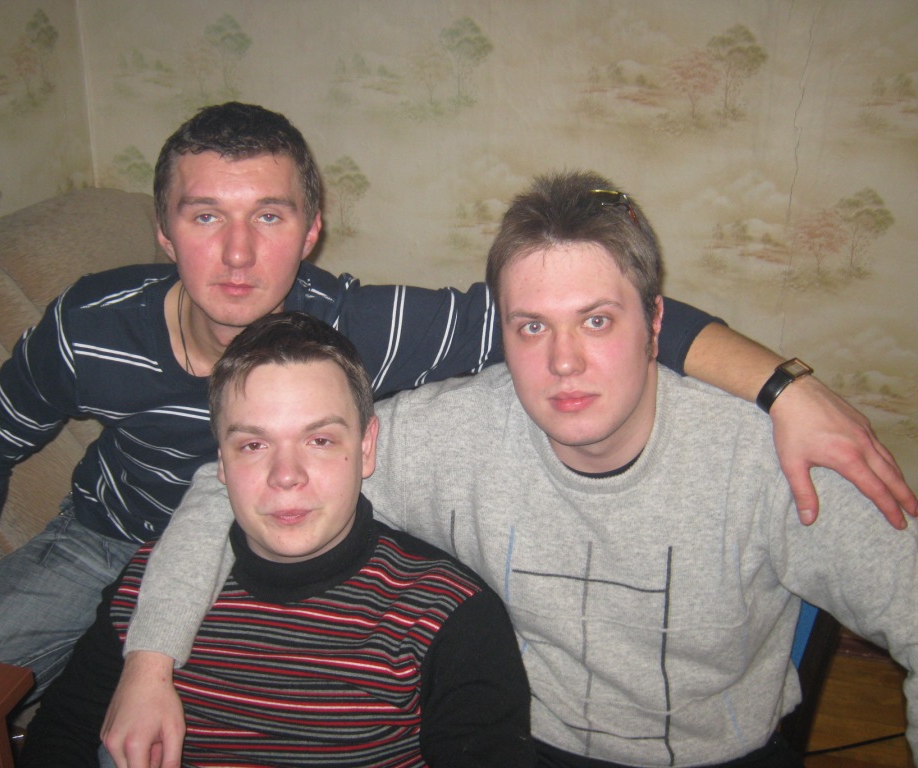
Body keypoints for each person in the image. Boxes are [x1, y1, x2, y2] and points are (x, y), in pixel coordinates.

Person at [0, 99, 915, 701]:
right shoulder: (88, 323)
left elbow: (577, 304)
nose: (237, 253)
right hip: (102, 533)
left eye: (270, 216)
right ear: (164, 230)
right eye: (205, 216)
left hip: (276, 546)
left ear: (312, 229)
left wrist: (783, 388)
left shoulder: (365, 326)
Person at [120, 172, 918, 767]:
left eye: (596, 321)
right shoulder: (454, 432)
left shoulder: (765, 458)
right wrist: (150, 664)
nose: (564, 362)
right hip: (524, 747)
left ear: (656, 325)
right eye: (531, 327)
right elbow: (229, 481)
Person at [18, 312, 536, 767]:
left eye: (320, 440)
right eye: (253, 445)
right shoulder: (148, 588)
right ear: (221, 463)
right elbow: (60, 737)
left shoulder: (447, 614)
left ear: (366, 447)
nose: (286, 475)